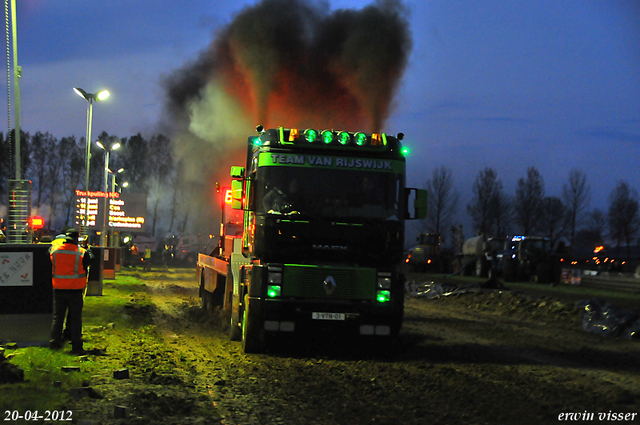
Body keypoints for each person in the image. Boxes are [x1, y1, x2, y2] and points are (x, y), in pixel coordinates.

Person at [49, 228, 95, 354]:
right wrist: (87, 248)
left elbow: (49, 255)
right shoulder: (81, 252)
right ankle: (76, 346)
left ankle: (54, 344)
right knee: (75, 319)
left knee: (58, 318)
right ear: (76, 239)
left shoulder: (55, 251)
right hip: (75, 290)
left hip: (58, 289)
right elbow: (91, 260)